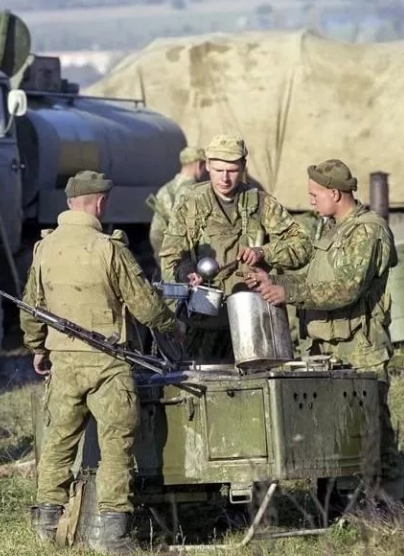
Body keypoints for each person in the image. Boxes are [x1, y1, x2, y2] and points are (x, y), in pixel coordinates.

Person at [21, 170, 178, 554]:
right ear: (100, 202)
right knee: (116, 445)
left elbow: (31, 307)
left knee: (59, 442)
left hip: (63, 362)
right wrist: (173, 326)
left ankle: (46, 525)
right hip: (108, 364)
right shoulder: (109, 248)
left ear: (70, 202)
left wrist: (38, 348)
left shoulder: (45, 248)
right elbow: (144, 305)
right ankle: (110, 532)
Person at [245, 159, 403, 504]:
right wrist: (273, 282)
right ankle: (332, 505)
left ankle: (389, 507)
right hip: (325, 350)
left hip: (359, 351)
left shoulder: (368, 231)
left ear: (335, 193)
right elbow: (317, 280)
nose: (311, 200)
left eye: (315, 194)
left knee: (373, 431)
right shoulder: (332, 229)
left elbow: (346, 288)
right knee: (327, 430)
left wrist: (289, 292)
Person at [159, 134, 311, 362]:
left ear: (243, 167)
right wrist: (186, 272)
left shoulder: (261, 203)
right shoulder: (190, 204)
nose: (225, 178)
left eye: (232, 170)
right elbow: (170, 255)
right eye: (218, 170)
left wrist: (265, 253)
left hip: (254, 317)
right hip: (204, 319)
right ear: (207, 165)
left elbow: (303, 245)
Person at [146, 146, 207, 265]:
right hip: (188, 258)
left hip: (166, 254)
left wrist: (163, 259)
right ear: (199, 164)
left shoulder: (164, 189)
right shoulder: (197, 191)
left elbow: (156, 232)